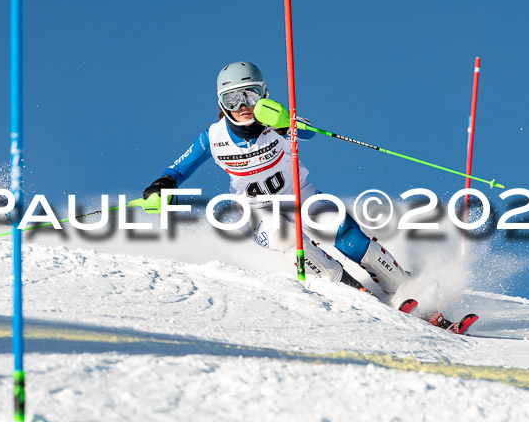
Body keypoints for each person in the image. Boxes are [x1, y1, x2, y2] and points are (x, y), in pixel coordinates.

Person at [143, 61, 411, 300]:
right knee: (291, 242)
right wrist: (161, 185)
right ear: (221, 104)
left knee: (349, 238)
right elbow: (177, 170)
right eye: (233, 98)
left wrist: (286, 124)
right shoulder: (212, 138)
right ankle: (354, 296)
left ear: (264, 95)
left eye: (251, 94)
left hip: (299, 194)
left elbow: (308, 132)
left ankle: (404, 287)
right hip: (252, 211)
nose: (244, 106)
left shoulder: (277, 120)